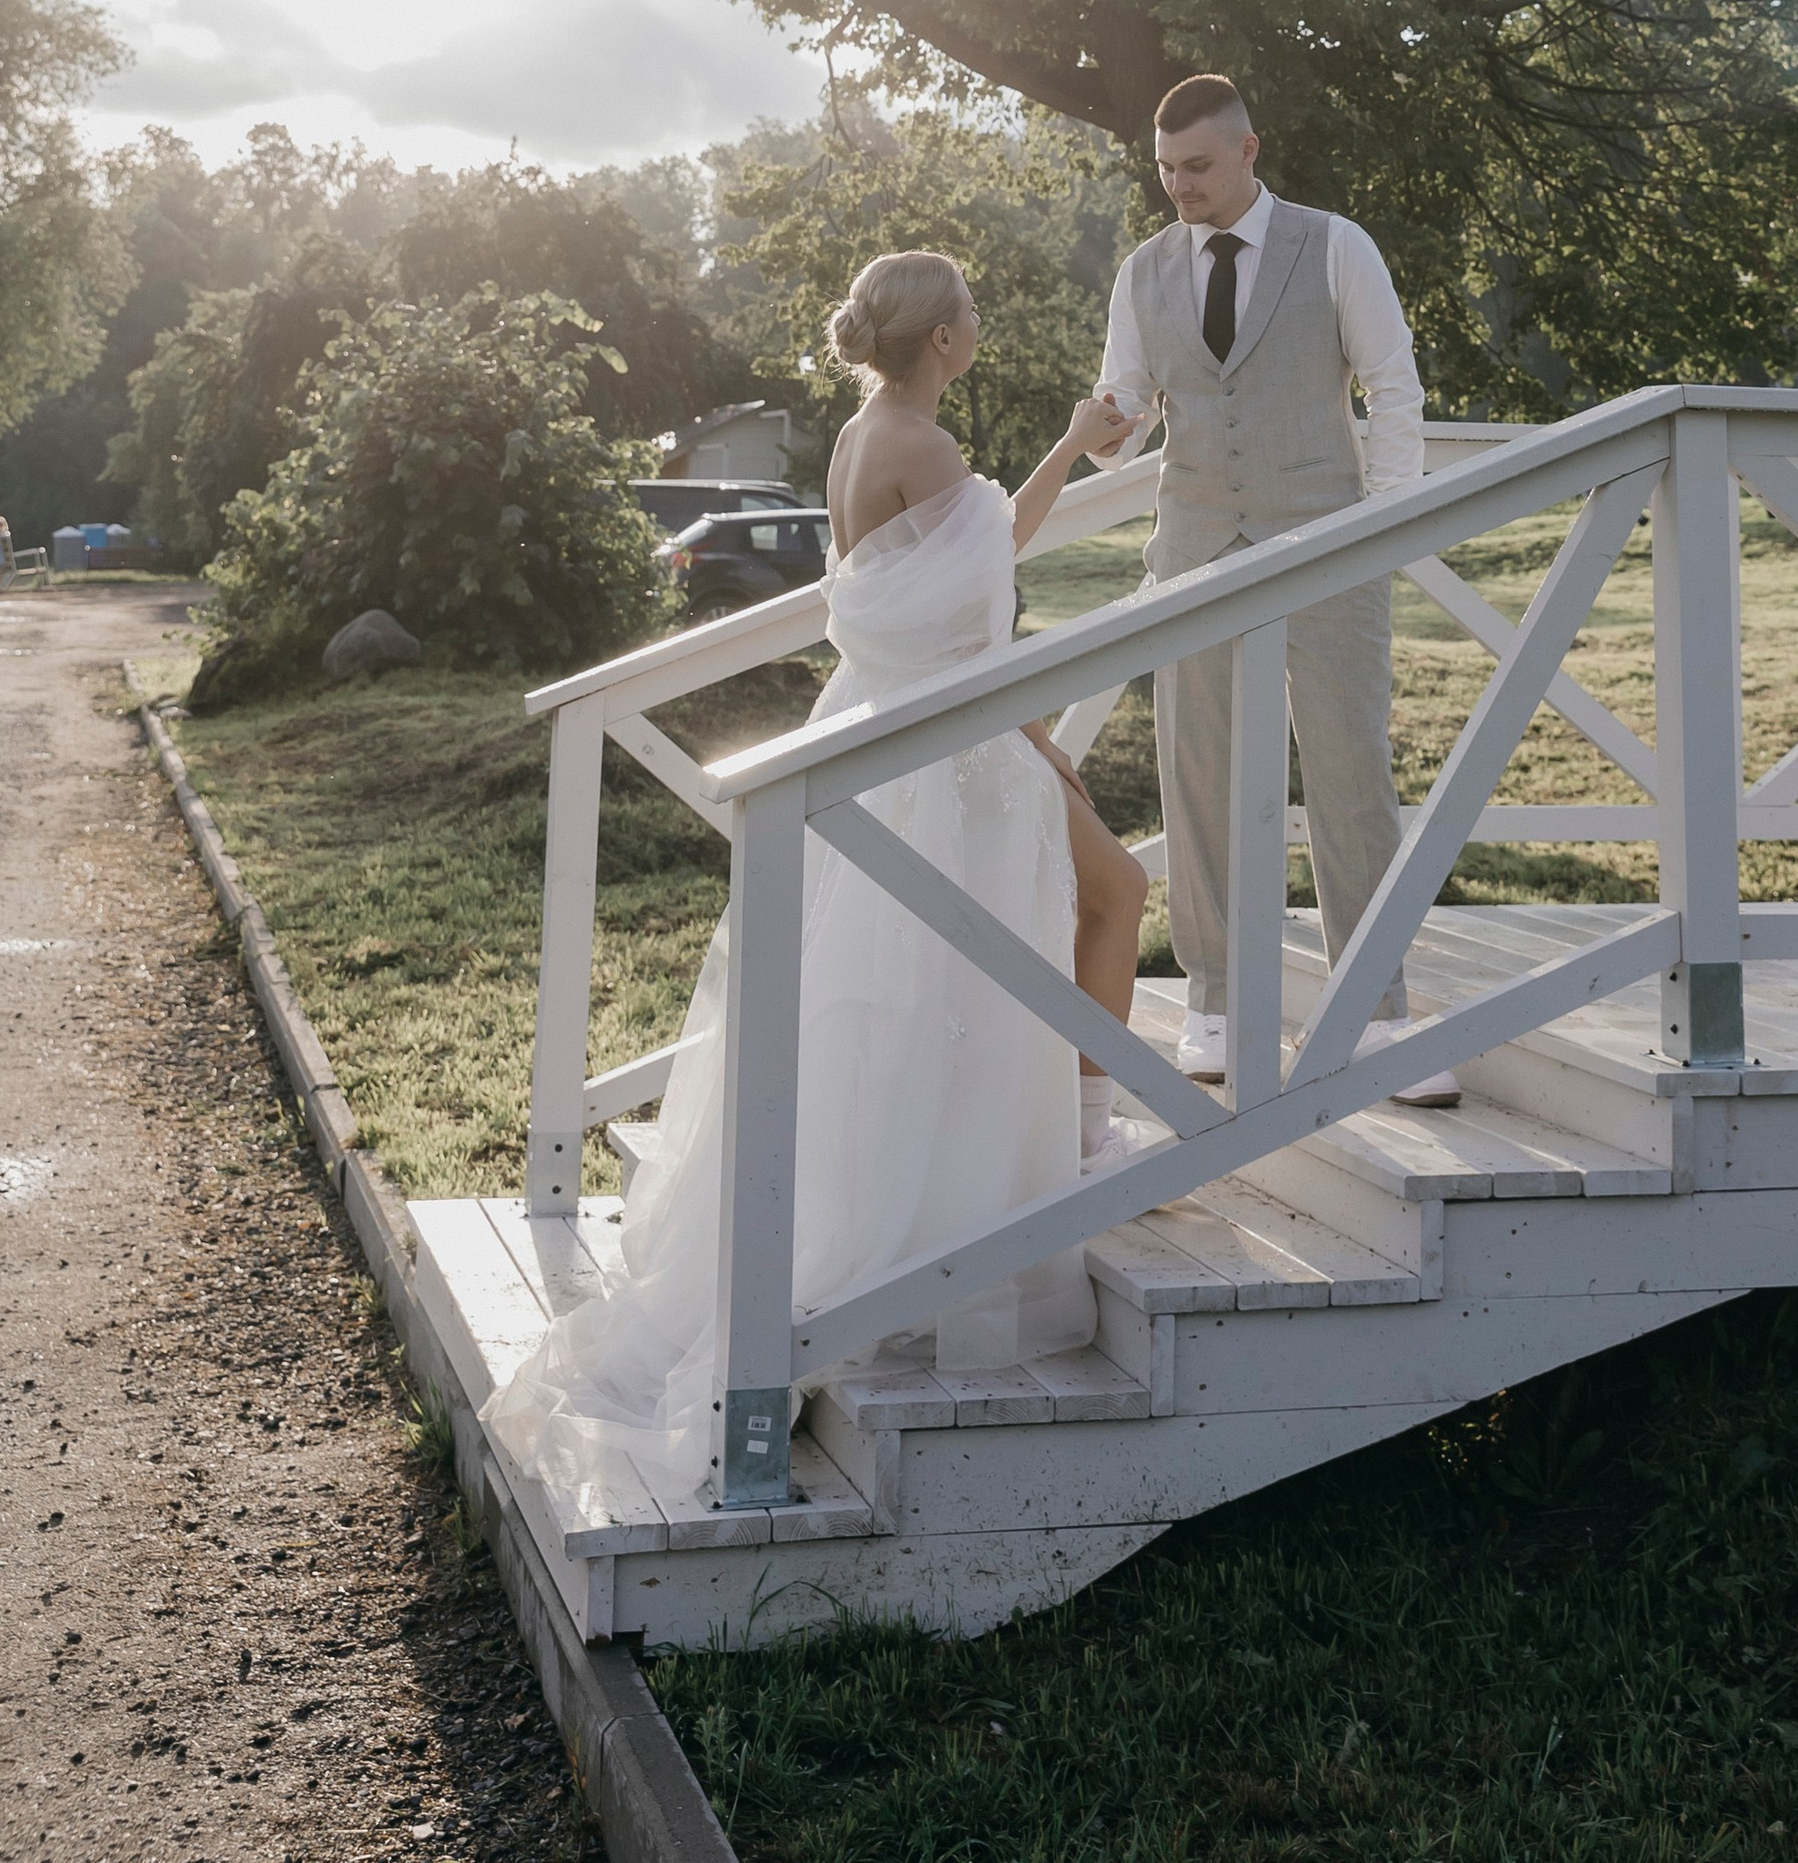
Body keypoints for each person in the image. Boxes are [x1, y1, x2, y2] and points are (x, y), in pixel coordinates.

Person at [484, 250, 1145, 1517]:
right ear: (942, 339)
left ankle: (1047, 1131)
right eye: (971, 312)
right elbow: (981, 603)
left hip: (883, 723)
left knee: (918, 975)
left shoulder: (862, 433)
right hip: (941, 744)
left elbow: (953, 574)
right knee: (1079, 907)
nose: (977, 324)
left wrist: (1068, 446)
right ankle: (1081, 1132)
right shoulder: (923, 447)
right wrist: (1033, 733)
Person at [1089, 74, 1459, 1108]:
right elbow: (1124, 415)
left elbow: (1392, 386)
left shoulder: (1336, 246)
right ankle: (1212, 1004)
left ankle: (1378, 1012)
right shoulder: (1142, 272)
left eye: (1198, 166)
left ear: (1249, 151)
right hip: (1193, 551)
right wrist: (1107, 426)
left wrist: (1383, 522)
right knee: (1196, 776)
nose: (1180, 187)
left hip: (1329, 545)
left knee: (1351, 775)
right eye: (1165, 170)